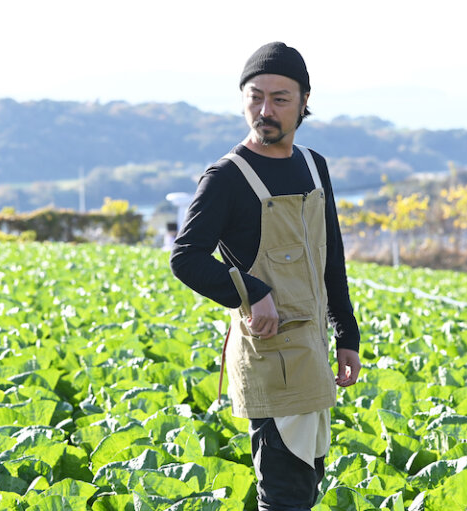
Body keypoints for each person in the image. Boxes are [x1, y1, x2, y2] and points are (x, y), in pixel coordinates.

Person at [170, 42, 361, 510]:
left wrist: (348, 334)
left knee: (306, 481)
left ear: (304, 102)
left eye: (280, 98)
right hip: (271, 355)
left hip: (312, 349)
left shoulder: (315, 167)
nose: (265, 110)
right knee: (283, 492)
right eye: (255, 97)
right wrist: (252, 293)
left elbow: (330, 258)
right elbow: (185, 257)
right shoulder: (227, 177)